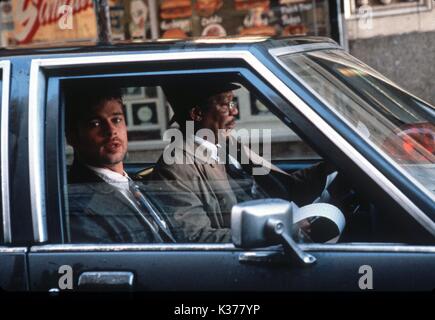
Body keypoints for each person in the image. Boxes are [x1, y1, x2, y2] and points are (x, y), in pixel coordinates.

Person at [151, 79, 335, 243]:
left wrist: (333, 164)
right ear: (197, 113)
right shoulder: (176, 167)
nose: (235, 111)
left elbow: (284, 184)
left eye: (233, 102)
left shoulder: (227, 144)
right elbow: (197, 237)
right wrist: (281, 231)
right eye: (226, 104)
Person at [65, 84, 175, 243]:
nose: (111, 131)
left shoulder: (134, 184)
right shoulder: (78, 204)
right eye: (95, 123)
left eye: (116, 120)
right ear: (72, 137)